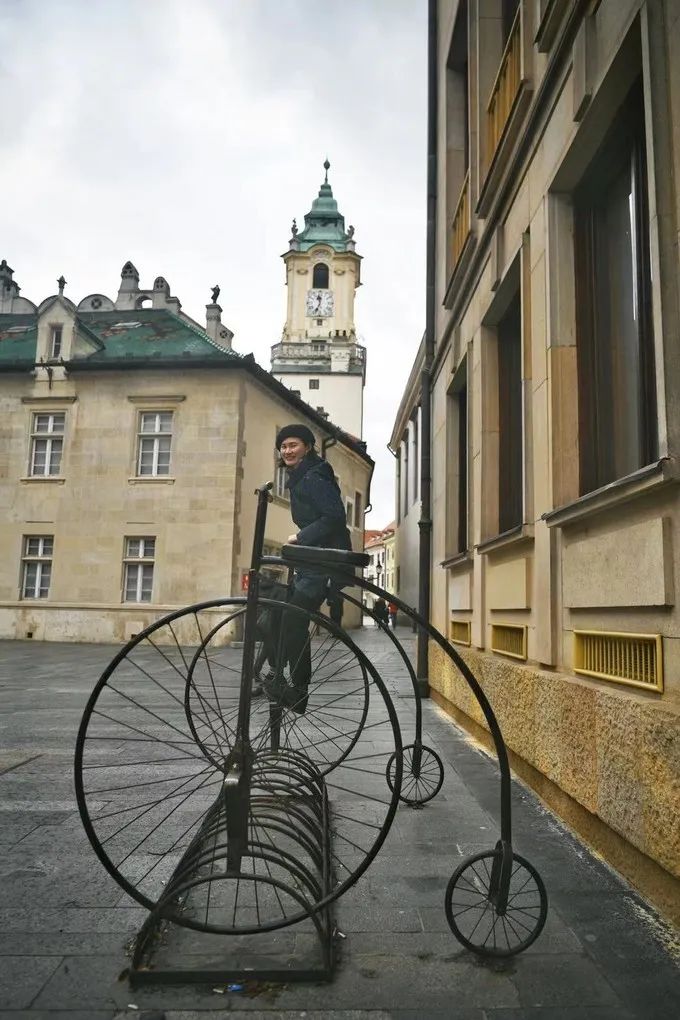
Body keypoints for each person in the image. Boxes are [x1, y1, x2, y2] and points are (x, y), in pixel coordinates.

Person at [262, 424, 351, 714]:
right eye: (284, 446)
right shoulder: (302, 476)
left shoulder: (313, 476)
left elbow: (335, 517)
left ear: (308, 447)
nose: (287, 451)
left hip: (323, 562)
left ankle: (298, 690)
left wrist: (300, 536)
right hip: (313, 560)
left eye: (293, 445)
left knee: (294, 619)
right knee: (278, 612)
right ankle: (276, 674)